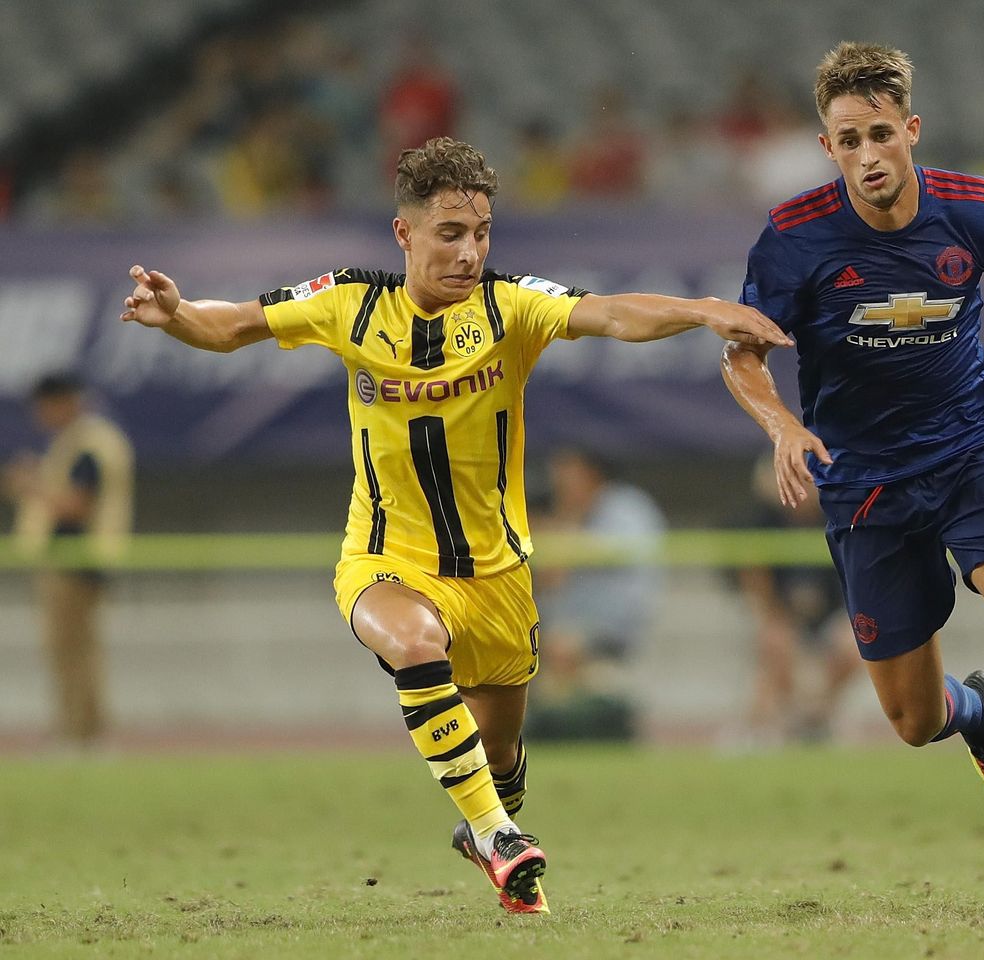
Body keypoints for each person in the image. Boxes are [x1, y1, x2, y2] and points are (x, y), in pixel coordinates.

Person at [119, 136, 790, 914]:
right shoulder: (348, 301)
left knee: (501, 755)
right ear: (405, 234)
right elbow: (230, 325)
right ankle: (498, 836)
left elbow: (609, 313)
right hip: (385, 558)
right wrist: (175, 316)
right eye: (450, 234)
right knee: (413, 643)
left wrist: (703, 310)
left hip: (498, 579)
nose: (469, 252)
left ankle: (489, 824)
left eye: (481, 234)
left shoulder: (510, 306)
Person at [722, 43, 984, 818]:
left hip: (972, 453)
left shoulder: (973, 209)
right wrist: (780, 425)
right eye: (848, 141)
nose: (867, 156)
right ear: (826, 146)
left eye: (879, 134)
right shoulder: (793, 239)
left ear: (911, 130)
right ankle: (976, 715)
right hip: (863, 479)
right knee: (912, 720)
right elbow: (743, 357)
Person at [2, 373, 134, 746]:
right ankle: (83, 730)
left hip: (78, 559)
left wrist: (31, 485)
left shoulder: (89, 443)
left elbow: (77, 505)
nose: (40, 416)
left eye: (44, 406)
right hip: (73, 559)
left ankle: (79, 733)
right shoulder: (79, 440)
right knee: (74, 648)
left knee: (71, 648)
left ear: (63, 402)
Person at [530, 447, 665, 733]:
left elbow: (611, 553)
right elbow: (550, 578)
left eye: (567, 471)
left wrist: (561, 536)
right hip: (560, 626)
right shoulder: (568, 513)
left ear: (590, 472)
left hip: (612, 624)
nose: (559, 480)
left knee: (564, 647)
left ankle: (597, 717)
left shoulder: (625, 506)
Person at [735, 455, 859, 745]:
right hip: (783, 614)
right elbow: (753, 578)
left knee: (854, 644)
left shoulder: (837, 517)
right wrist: (773, 615)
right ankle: (789, 717)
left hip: (832, 613)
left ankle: (818, 714)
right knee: (775, 642)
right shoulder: (763, 522)